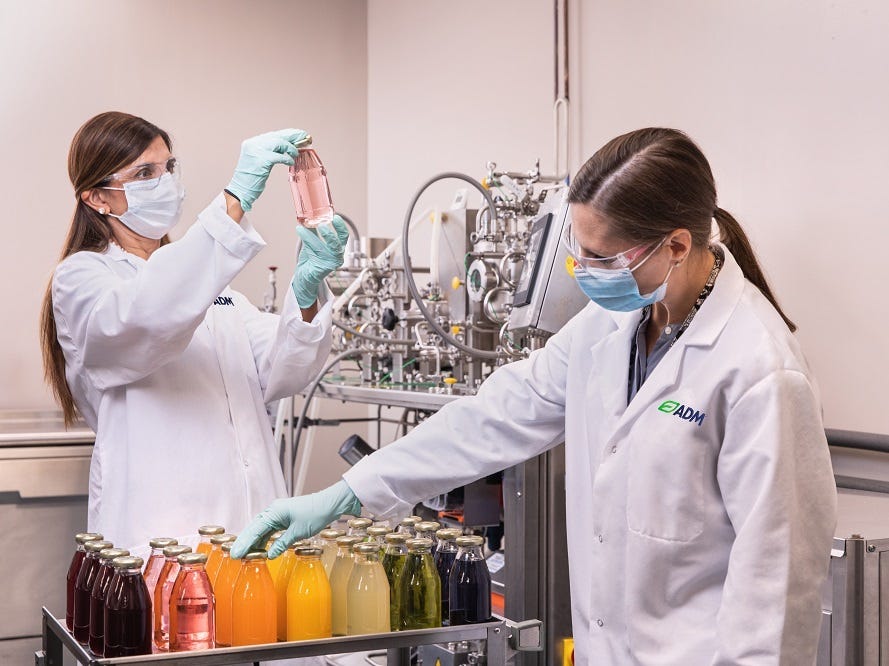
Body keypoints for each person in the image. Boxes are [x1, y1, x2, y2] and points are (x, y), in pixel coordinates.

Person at [233, 128, 837, 663]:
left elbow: (775, 593)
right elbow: (494, 416)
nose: (582, 271)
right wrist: (346, 493)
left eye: (600, 258)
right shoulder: (610, 326)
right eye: (578, 251)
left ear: (676, 246)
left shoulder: (758, 369)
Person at [41, 111, 349, 555]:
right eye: (144, 172)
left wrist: (306, 293)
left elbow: (285, 369)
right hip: (163, 543)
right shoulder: (83, 279)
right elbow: (147, 318)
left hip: (254, 530)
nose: (164, 181)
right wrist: (235, 198)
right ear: (97, 198)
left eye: (168, 167)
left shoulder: (215, 290)